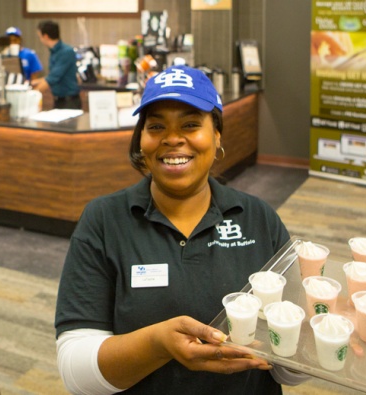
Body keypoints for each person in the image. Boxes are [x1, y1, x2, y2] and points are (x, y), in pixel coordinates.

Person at [55, 65, 309, 394]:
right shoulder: (104, 220)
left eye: (190, 124)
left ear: (217, 135)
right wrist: (157, 345)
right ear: (141, 140)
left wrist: (319, 335)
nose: (173, 138)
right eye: (156, 126)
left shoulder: (258, 218)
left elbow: (290, 372)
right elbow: (76, 373)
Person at [31, 20, 81, 110]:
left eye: (40, 37)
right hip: (58, 101)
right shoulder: (54, 52)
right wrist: (35, 82)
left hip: (69, 102)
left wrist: (31, 95)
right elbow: (52, 75)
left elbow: (53, 78)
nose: (40, 40)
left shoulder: (66, 51)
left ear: (45, 36)